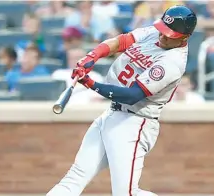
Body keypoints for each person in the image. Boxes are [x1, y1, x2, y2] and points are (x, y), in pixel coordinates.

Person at [47, 5, 197, 196]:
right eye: (163, 30)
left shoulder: (173, 62)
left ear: (185, 37)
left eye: (170, 34)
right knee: (75, 177)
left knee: (126, 193)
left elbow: (132, 95)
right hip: (111, 114)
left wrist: (91, 83)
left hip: (134, 122)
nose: (163, 36)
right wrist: (93, 55)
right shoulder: (155, 32)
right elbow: (121, 41)